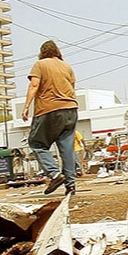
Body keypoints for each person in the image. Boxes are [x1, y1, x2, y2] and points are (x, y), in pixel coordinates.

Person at [21, 40, 78, 195]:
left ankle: (54, 174)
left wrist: (26, 107)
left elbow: (34, 85)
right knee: (67, 149)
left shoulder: (40, 64)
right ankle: (70, 185)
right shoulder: (66, 66)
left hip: (49, 109)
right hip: (71, 108)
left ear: (42, 52)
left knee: (36, 143)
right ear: (57, 51)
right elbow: (71, 87)